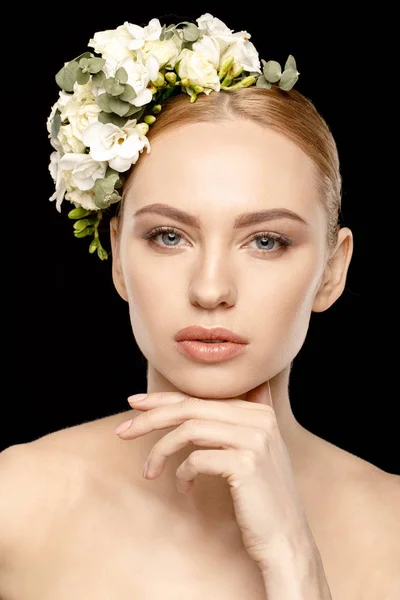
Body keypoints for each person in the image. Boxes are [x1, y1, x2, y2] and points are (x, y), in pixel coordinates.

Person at [2, 12, 399, 599]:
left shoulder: (393, 529)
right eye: (169, 236)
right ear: (117, 256)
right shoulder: (15, 504)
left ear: (331, 272)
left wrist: (294, 560)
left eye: (266, 241)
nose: (211, 289)